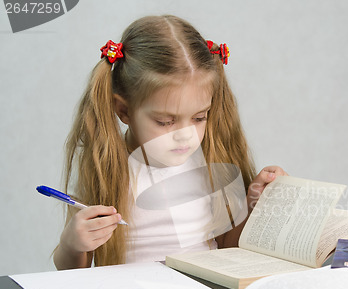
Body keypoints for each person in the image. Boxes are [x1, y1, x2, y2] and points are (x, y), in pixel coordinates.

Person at [53, 15, 286, 270]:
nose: (185, 135)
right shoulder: (109, 167)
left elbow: (228, 247)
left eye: (199, 118)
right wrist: (72, 244)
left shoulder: (210, 162)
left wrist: (253, 203)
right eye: (166, 122)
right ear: (124, 111)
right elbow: (71, 273)